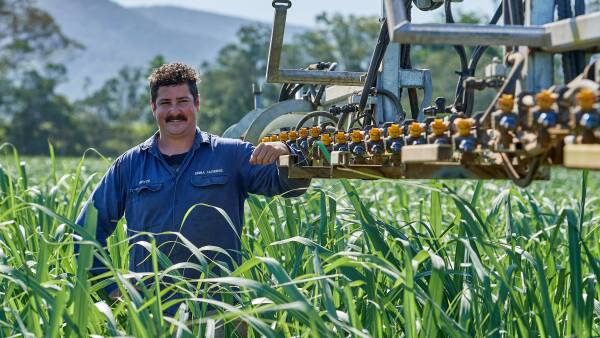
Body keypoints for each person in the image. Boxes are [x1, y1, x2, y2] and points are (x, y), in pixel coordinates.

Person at [75, 63, 311, 320]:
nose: (174, 111)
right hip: (152, 317)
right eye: (165, 103)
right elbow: (85, 233)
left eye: (182, 101)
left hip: (219, 313)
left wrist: (288, 153)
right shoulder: (129, 165)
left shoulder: (230, 154)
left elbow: (287, 187)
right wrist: (112, 287)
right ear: (153, 107)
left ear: (197, 103)